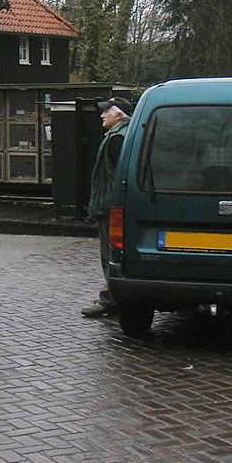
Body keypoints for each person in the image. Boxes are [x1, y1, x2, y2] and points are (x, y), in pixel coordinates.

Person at [81, 96, 133, 318]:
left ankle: (112, 299)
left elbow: (118, 177)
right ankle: (112, 295)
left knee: (109, 255)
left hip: (111, 208)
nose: (102, 115)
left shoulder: (116, 139)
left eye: (106, 112)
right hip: (114, 207)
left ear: (119, 115)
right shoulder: (124, 135)